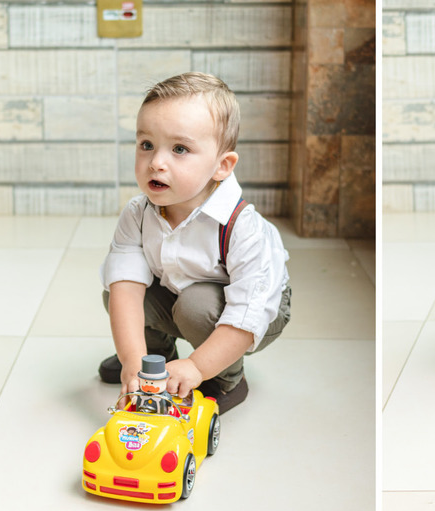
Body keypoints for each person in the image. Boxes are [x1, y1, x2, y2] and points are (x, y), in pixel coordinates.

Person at [98, 72, 292, 413]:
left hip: (249, 309)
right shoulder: (138, 213)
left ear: (222, 166)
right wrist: (134, 359)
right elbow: (126, 286)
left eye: (179, 149)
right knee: (118, 294)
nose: (156, 162)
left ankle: (226, 377)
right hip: (179, 289)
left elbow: (248, 313)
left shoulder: (241, 228)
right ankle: (157, 362)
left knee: (196, 303)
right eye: (146, 145)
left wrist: (199, 367)